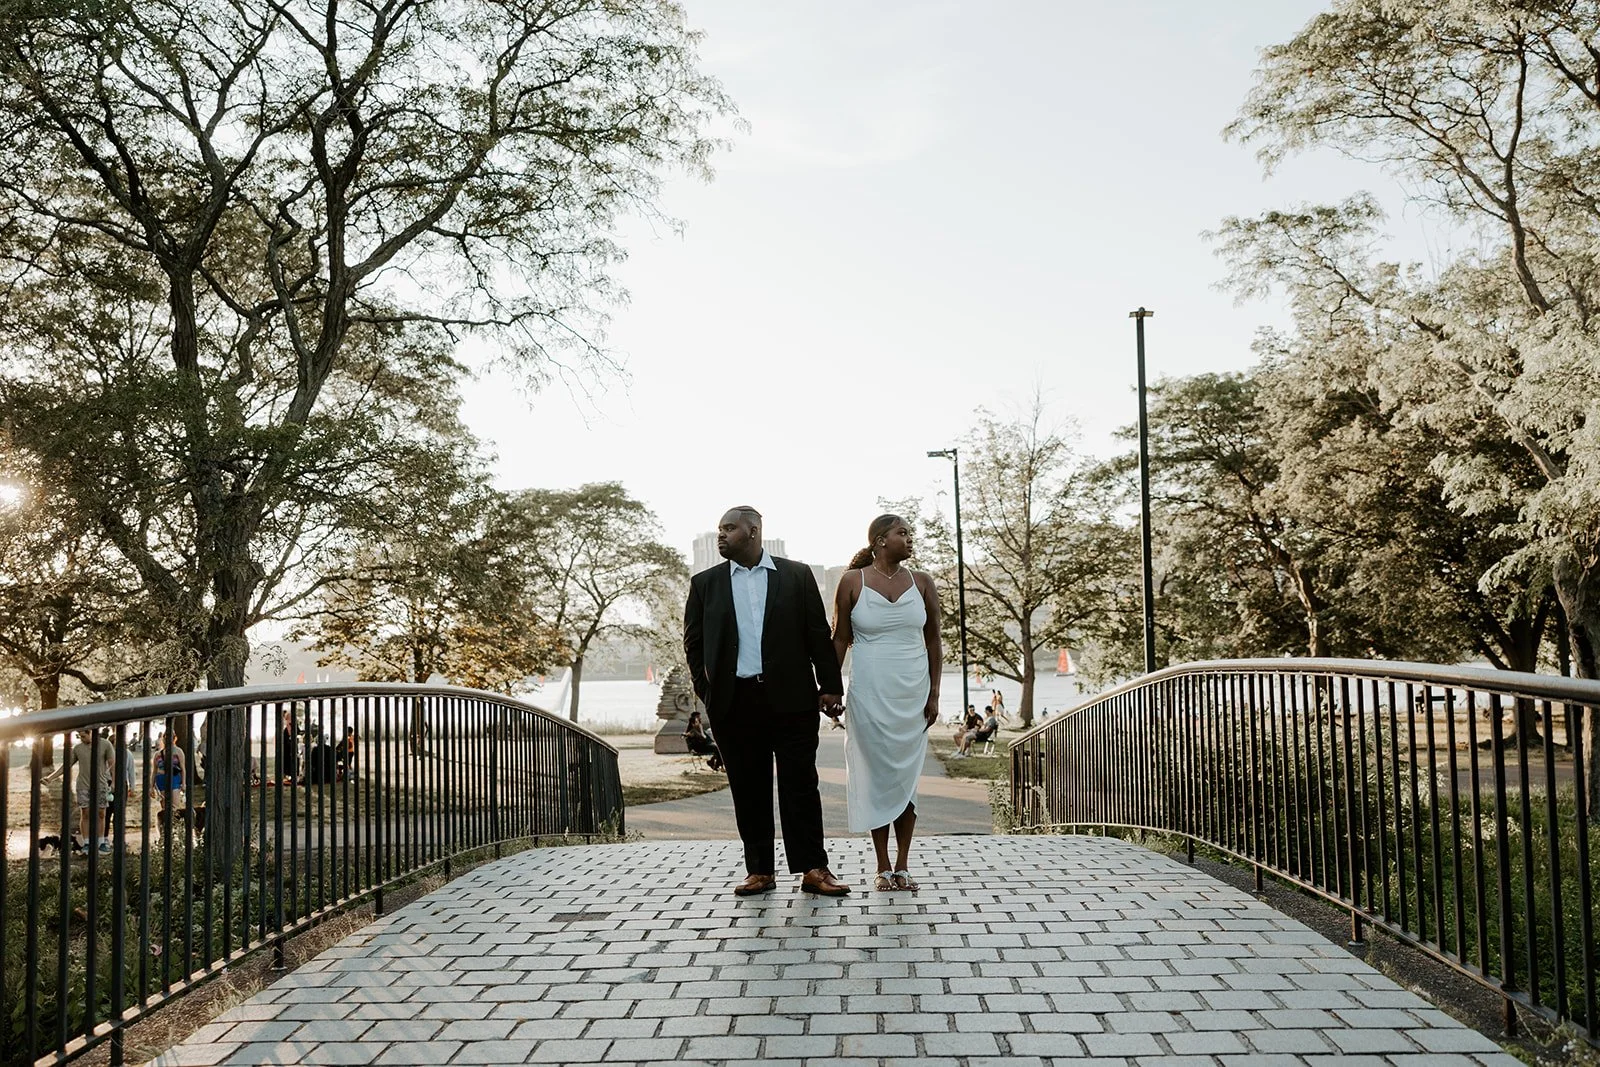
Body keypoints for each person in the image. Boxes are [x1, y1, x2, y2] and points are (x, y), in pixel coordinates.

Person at [683, 505, 849, 897]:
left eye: (729, 529)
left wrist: (830, 686)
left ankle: (813, 868)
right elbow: (694, 644)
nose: (720, 536)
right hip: (734, 703)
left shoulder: (796, 576)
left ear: (754, 531)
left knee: (801, 786)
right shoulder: (705, 583)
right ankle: (759, 871)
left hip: (792, 701)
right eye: (718, 530)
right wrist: (709, 693)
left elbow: (816, 634)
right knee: (748, 788)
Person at [832, 514, 941, 893]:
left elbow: (933, 642)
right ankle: (881, 866)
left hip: (912, 693)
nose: (910, 538)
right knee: (877, 777)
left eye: (911, 532)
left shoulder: (922, 583)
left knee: (905, 782)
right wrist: (828, 687)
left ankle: (904, 865)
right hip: (868, 693)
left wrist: (934, 693)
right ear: (880, 540)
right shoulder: (852, 582)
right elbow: (841, 638)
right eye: (903, 533)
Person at [44, 729, 115, 852]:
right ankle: (87, 843)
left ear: (91, 733)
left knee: (101, 814)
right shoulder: (77, 748)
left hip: (101, 785)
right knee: (85, 813)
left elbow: (113, 764)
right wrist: (50, 778)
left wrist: (113, 782)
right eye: (79, 736)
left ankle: (101, 842)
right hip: (83, 785)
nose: (81, 739)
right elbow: (66, 765)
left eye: (83, 736)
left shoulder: (105, 744)